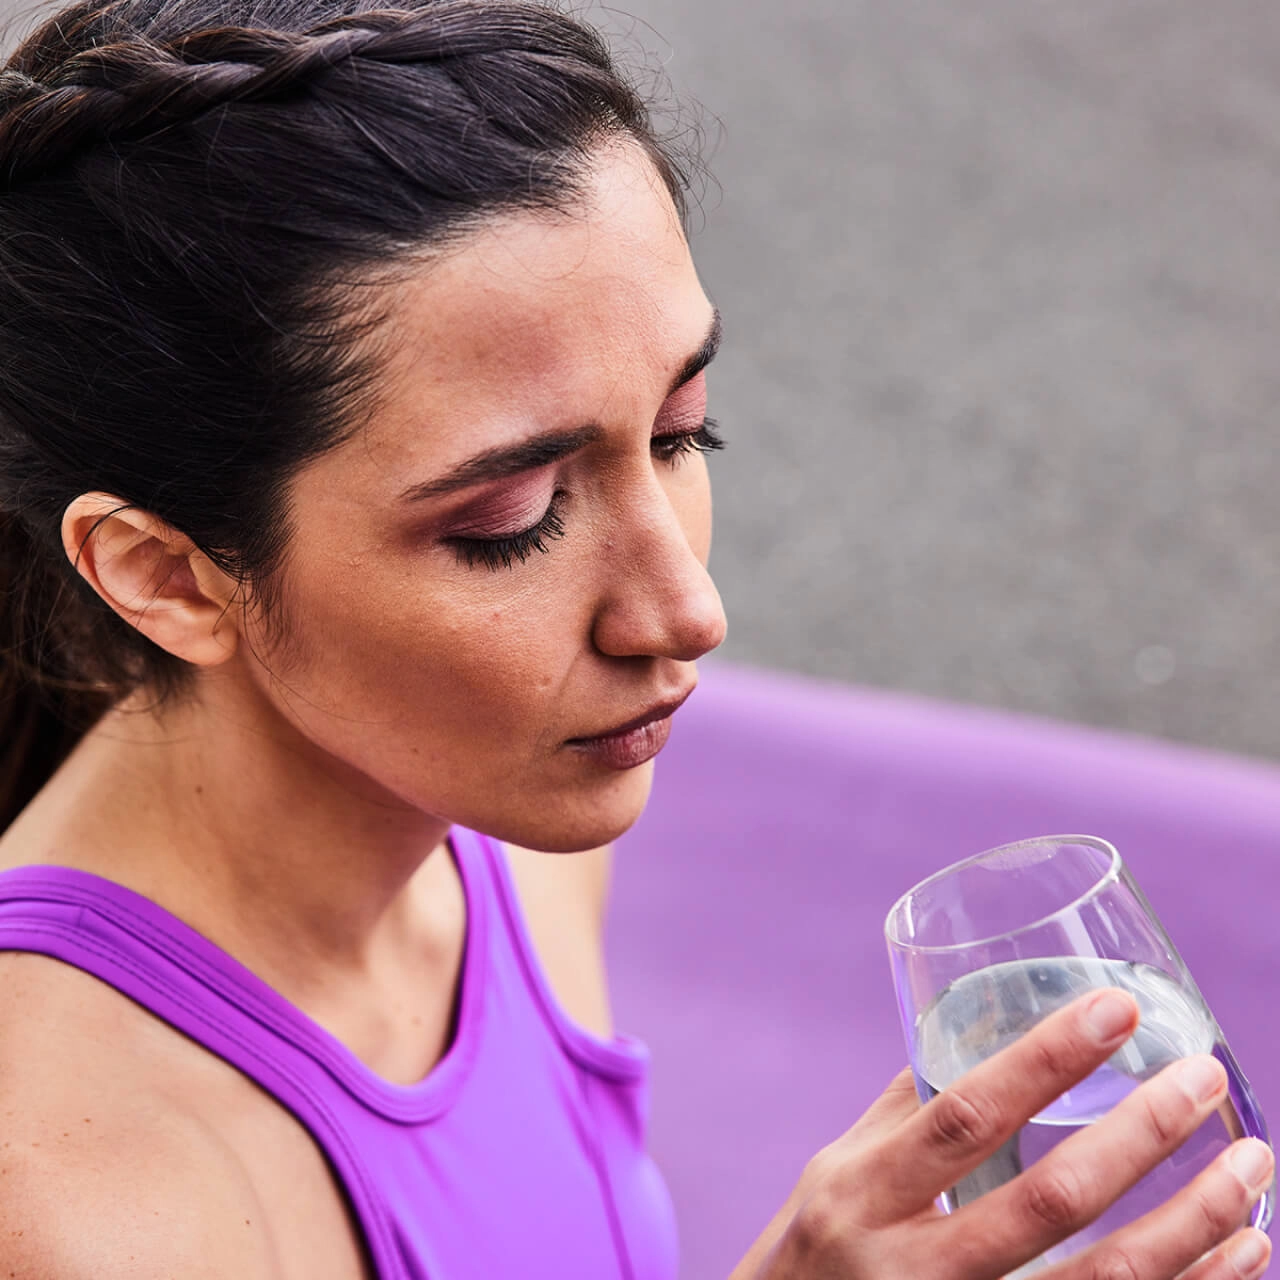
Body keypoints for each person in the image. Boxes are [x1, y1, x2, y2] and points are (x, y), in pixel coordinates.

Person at [0, 0, 1271, 1276]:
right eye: (511, 519)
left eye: (681, 433)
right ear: (167, 576)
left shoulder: (511, 818)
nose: (687, 613)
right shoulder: (73, 1207)